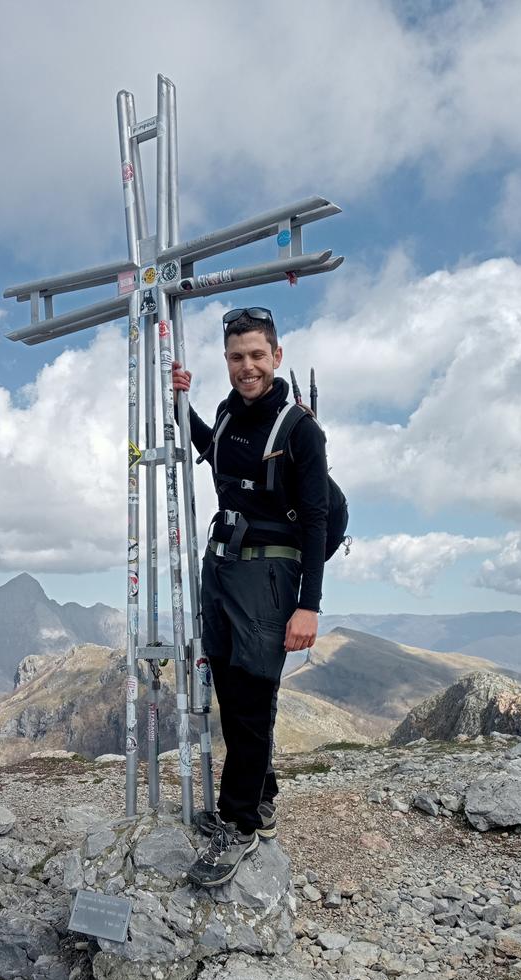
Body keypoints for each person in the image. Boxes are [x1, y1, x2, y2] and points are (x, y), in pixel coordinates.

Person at [172, 306, 328, 887]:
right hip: (223, 568)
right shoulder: (227, 415)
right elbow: (220, 459)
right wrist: (180, 408)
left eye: (257, 355)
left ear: (276, 357)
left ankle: (238, 824)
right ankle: (259, 794)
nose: (247, 367)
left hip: (270, 579)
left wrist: (308, 604)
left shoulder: (299, 430)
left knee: (249, 696)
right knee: (233, 690)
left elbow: (314, 517)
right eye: (237, 357)